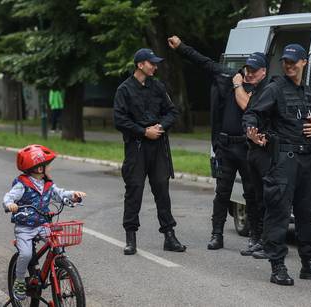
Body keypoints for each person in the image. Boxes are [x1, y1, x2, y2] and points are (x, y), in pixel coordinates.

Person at [243, 44, 311, 286]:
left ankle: (309, 264)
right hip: (284, 159)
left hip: (308, 160)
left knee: (307, 213)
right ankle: (278, 266)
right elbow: (251, 114)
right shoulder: (274, 89)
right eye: (285, 61)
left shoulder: (308, 92)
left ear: (304, 62)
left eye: (293, 61)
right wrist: (252, 133)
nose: (288, 65)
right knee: (279, 213)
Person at [168, 35, 264, 253]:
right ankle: (216, 234)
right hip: (227, 146)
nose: (249, 73)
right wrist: (182, 47)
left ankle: (255, 236)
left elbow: (250, 108)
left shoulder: (263, 89)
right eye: (247, 69)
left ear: (263, 72)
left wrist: (240, 85)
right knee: (222, 193)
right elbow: (204, 62)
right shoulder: (228, 76)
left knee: (252, 193)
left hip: (248, 148)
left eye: (254, 70)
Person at [113, 48, 186, 255]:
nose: (155, 66)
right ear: (140, 65)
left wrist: (159, 128)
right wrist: (144, 131)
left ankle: (169, 236)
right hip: (136, 147)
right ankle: (130, 237)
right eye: (151, 63)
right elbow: (120, 120)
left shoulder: (158, 86)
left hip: (158, 146)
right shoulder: (124, 90)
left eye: (155, 63)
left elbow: (172, 111)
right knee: (134, 190)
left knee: (162, 190)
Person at [3, 144, 86, 300]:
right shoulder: (22, 185)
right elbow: (9, 197)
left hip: (42, 224)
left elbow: (60, 194)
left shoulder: (47, 184)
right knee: (26, 254)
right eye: (47, 165)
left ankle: (61, 268)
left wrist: (73, 195)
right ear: (39, 168)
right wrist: (10, 204)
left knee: (57, 243)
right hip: (25, 228)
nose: (49, 168)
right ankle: (20, 281)